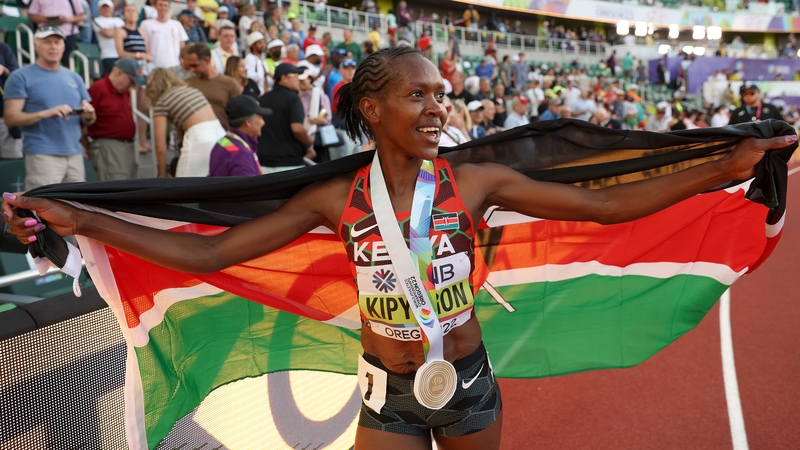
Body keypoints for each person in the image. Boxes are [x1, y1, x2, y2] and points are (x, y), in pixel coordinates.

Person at [4, 46, 787, 450]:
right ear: (373, 109)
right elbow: (215, 257)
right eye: (420, 94)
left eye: (443, 94)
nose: (438, 107)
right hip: (387, 390)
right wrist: (86, 221)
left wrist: (723, 166)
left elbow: (605, 206)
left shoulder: (474, 183)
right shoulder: (331, 199)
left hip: (469, 378)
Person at [4, 26, 96, 190]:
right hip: (42, 154)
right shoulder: (20, 76)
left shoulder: (74, 76)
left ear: (63, 46)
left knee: (76, 211)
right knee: (43, 210)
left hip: (75, 153)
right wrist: (46, 113)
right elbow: (11, 119)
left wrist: (88, 114)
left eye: (57, 42)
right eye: (47, 42)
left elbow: (89, 119)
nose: (53, 46)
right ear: (35, 45)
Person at [145, 67, 224, 177]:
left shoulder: (162, 102)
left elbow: (161, 147)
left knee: (182, 185)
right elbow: (182, 125)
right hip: (220, 135)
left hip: (199, 138)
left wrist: (162, 173)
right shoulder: (192, 90)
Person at [87, 58, 146, 181]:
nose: (132, 85)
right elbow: (85, 118)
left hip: (126, 147)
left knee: (128, 185)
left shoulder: (123, 91)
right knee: (116, 186)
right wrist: (86, 144)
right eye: (131, 80)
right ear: (120, 73)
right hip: (109, 147)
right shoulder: (99, 88)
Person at [257, 63, 315, 173]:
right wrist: (308, 142)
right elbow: (297, 128)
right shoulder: (293, 98)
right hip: (289, 164)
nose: (298, 80)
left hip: (264, 164)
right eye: (295, 76)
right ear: (283, 78)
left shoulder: (262, 99)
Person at [184, 43, 243, 129]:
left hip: (224, 135)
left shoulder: (230, 83)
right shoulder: (187, 84)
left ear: (206, 61)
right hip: (197, 135)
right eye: (189, 65)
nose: (192, 69)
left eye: (195, 65)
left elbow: (239, 113)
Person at [208, 95, 269, 177]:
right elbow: (249, 188)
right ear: (248, 122)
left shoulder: (223, 142)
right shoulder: (242, 155)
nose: (263, 123)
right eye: (261, 118)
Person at [28, 0, 85, 67]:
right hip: (45, 34)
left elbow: (81, 17)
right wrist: (41, 18)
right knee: (44, 61)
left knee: (68, 62)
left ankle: (66, 77)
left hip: (67, 34)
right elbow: (33, 16)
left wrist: (68, 19)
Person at [140, 0, 188, 69]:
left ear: (169, 7)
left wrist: (183, 58)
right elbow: (144, 44)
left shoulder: (177, 24)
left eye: (165, 5)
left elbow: (182, 44)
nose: (163, 8)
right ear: (155, 6)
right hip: (153, 66)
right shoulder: (146, 24)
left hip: (174, 65)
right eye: (160, 5)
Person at [0, 42, 21, 160]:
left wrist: (3, 70)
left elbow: (17, 76)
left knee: (11, 163)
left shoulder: (3, 48)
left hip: (3, 118)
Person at [93, 0, 124, 75]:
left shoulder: (119, 20)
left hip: (122, 55)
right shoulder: (97, 20)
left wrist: (112, 31)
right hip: (108, 55)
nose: (106, 9)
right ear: (99, 9)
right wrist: (119, 31)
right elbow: (107, 33)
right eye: (104, 7)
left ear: (112, 8)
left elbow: (126, 33)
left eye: (108, 7)